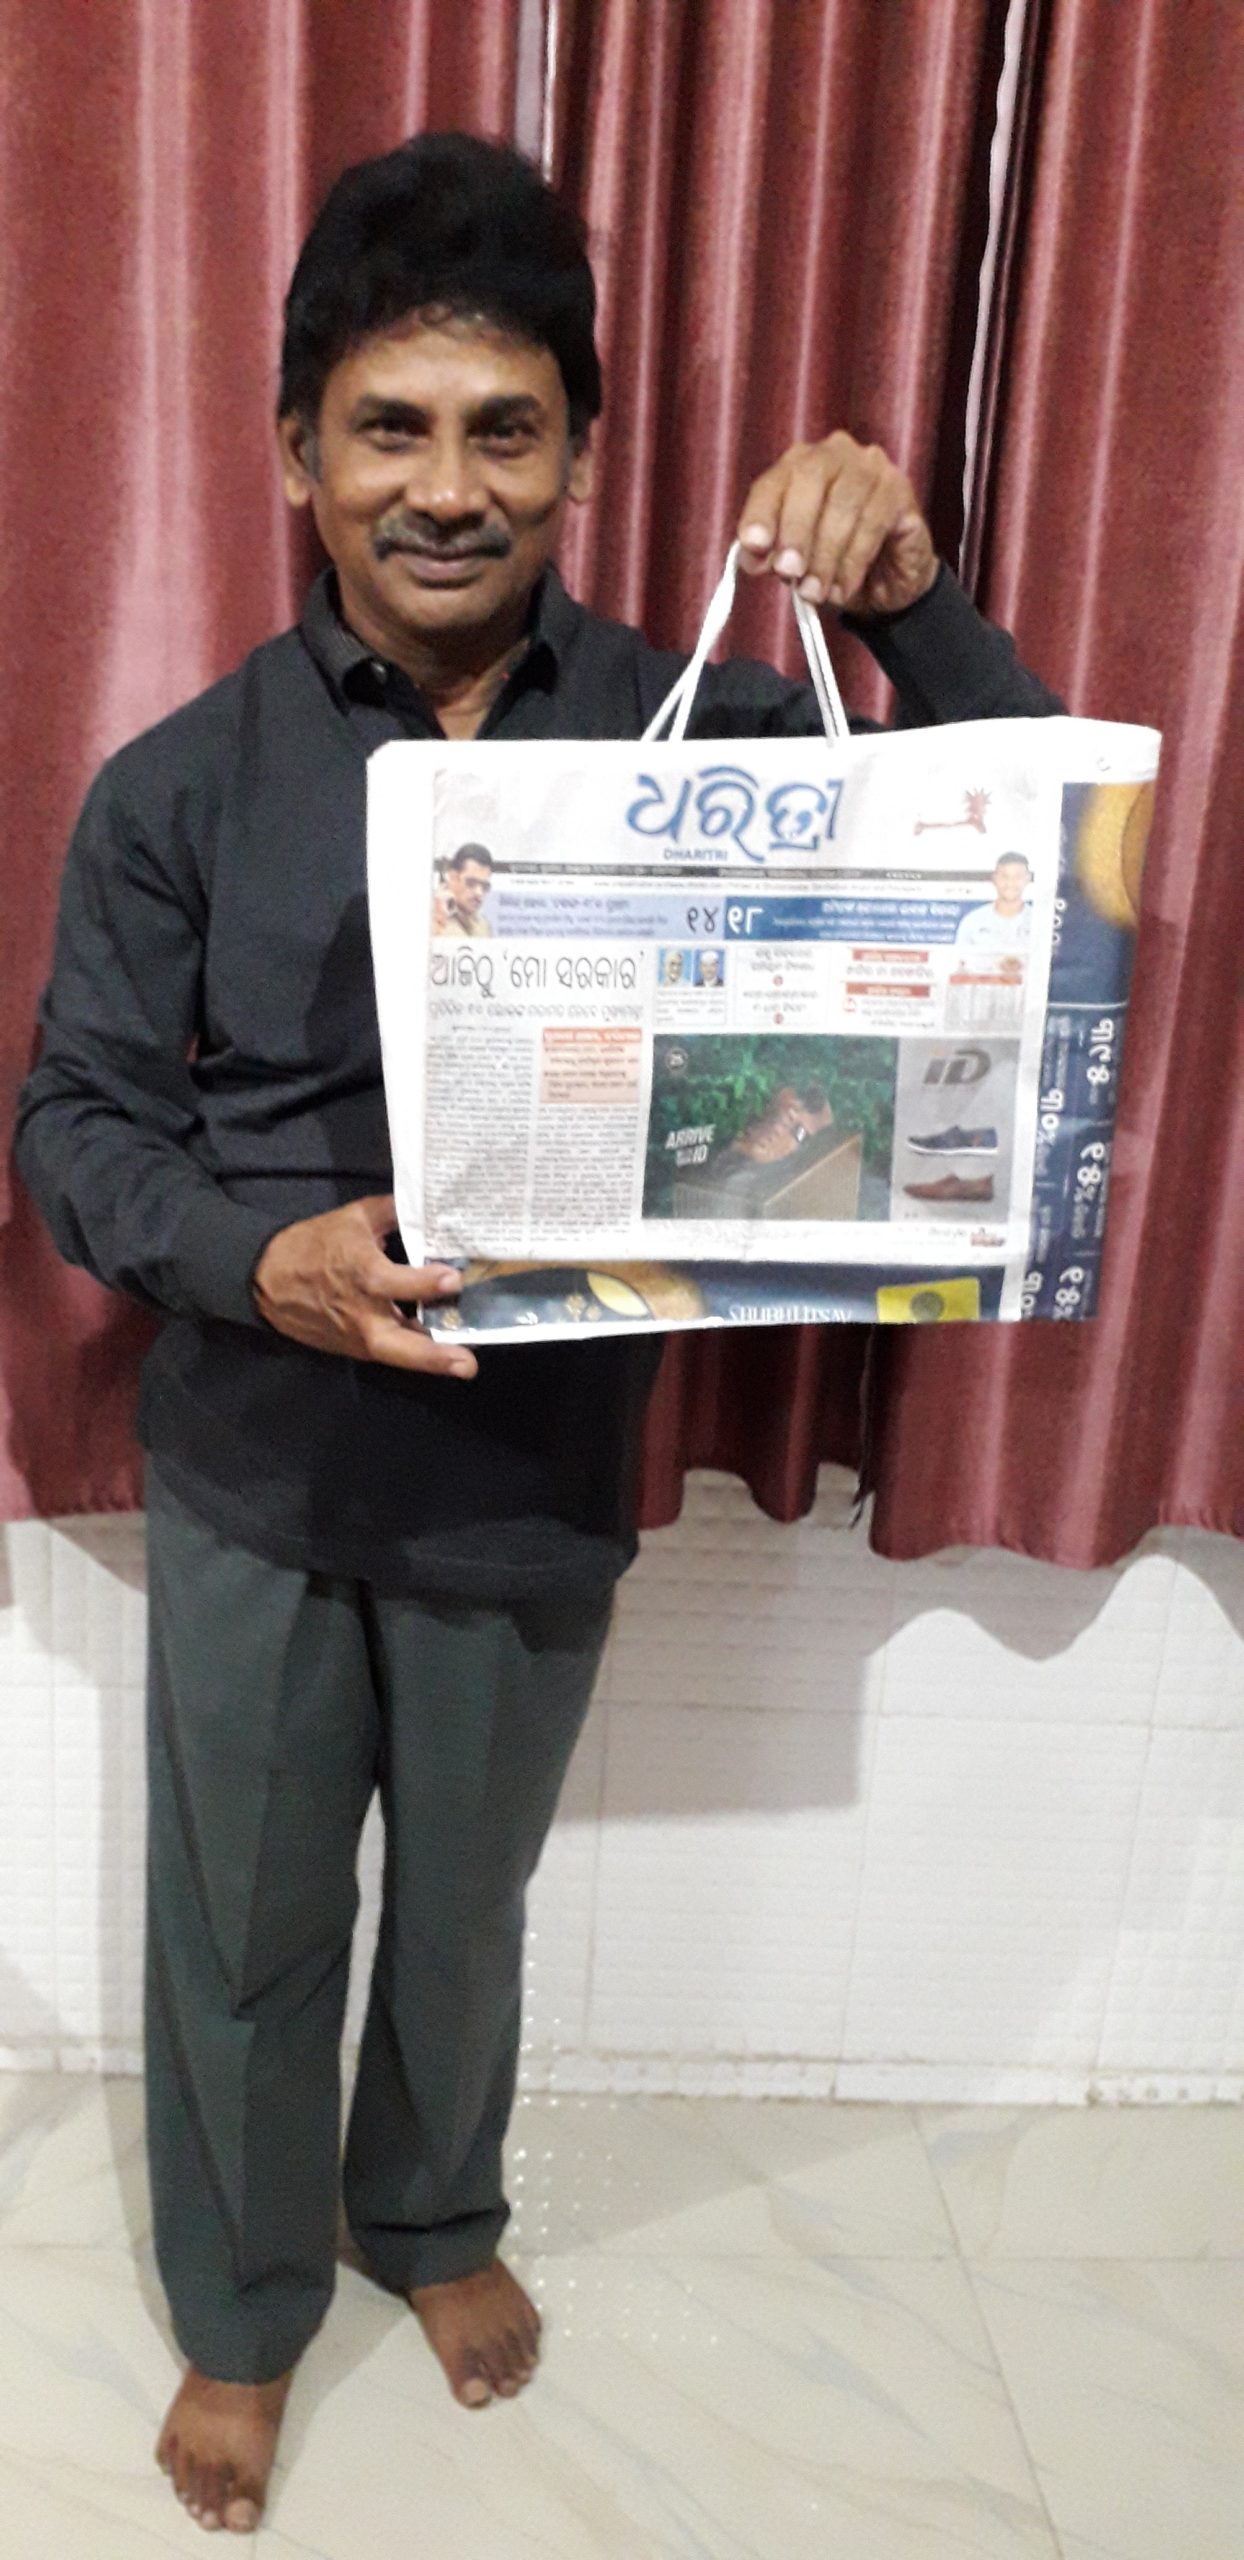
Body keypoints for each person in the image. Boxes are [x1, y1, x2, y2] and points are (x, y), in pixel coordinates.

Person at [15, 130, 1063, 2537]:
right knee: (250, 1925)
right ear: (296, 451)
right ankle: (246, 2310)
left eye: (504, 428)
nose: (446, 485)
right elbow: (71, 1123)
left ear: (582, 453)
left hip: (536, 1468)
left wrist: (915, 608)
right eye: (388, 427)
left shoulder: (716, 739)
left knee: (464, 1910)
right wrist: (252, 1258)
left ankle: (429, 2214)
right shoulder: (182, 782)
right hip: (262, 1467)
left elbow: (1001, 888)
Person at [953, 850, 1033, 959]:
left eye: (1017, 877)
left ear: (1027, 878)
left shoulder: (1038, 921)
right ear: (994, 879)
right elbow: (959, 963)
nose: (1010, 883)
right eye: (1004, 877)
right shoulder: (972, 921)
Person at [434, 839, 494, 934]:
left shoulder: (483, 926)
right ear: (453, 877)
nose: (479, 892)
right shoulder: (432, 919)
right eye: (471, 883)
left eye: (484, 886)